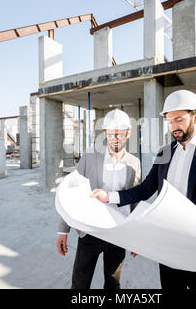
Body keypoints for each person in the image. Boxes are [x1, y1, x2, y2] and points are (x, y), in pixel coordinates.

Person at [91, 90, 196, 290]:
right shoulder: (165, 153)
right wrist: (108, 196)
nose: (173, 127)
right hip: (169, 247)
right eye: (170, 121)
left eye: (178, 119)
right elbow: (145, 189)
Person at [56, 108, 141, 289]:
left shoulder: (134, 163)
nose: (115, 139)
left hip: (118, 234)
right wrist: (63, 230)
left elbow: (134, 202)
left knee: (112, 283)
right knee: (80, 283)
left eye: (120, 135)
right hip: (90, 231)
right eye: (111, 135)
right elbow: (73, 193)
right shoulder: (89, 156)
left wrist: (136, 237)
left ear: (128, 133)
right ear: (105, 133)